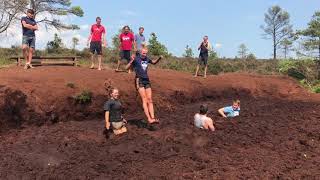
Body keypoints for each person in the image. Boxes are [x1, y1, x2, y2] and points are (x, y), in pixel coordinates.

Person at [126, 48, 162, 124]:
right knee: (144, 99)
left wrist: (159, 58)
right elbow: (126, 67)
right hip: (139, 80)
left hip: (146, 80)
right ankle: (149, 118)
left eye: (145, 53)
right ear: (140, 52)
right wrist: (131, 61)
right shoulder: (136, 59)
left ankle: (153, 118)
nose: (144, 54)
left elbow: (154, 62)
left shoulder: (147, 59)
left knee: (150, 99)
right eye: (143, 53)